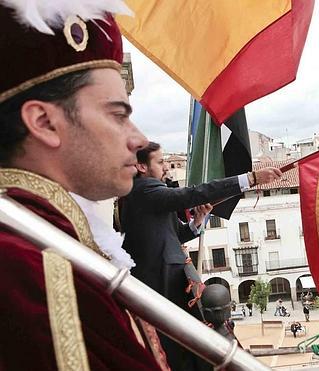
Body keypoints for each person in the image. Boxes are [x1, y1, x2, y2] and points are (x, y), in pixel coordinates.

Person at [0, 2, 170, 370]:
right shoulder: (31, 271)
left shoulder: (57, 246)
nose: (138, 138)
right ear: (44, 122)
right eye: (118, 114)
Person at [121, 141, 282, 370]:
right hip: (163, 283)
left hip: (170, 282)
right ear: (141, 167)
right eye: (160, 162)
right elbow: (194, 193)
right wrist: (250, 179)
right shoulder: (144, 189)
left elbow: (176, 235)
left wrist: (197, 221)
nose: (166, 167)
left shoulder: (149, 195)